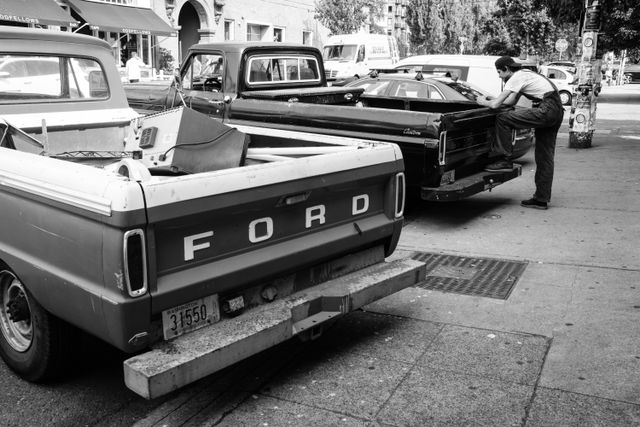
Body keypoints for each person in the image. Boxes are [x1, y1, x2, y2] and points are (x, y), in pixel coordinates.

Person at [477, 56, 564, 210]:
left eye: (499, 72)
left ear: (506, 69)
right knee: (545, 157)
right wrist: (493, 98)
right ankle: (541, 199)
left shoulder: (516, 77)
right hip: (556, 111)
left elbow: (496, 105)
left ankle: (504, 159)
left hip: (546, 109)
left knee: (503, 118)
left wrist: (483, 101)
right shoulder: (525, 74)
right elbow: (510, 102)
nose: (499, 76)